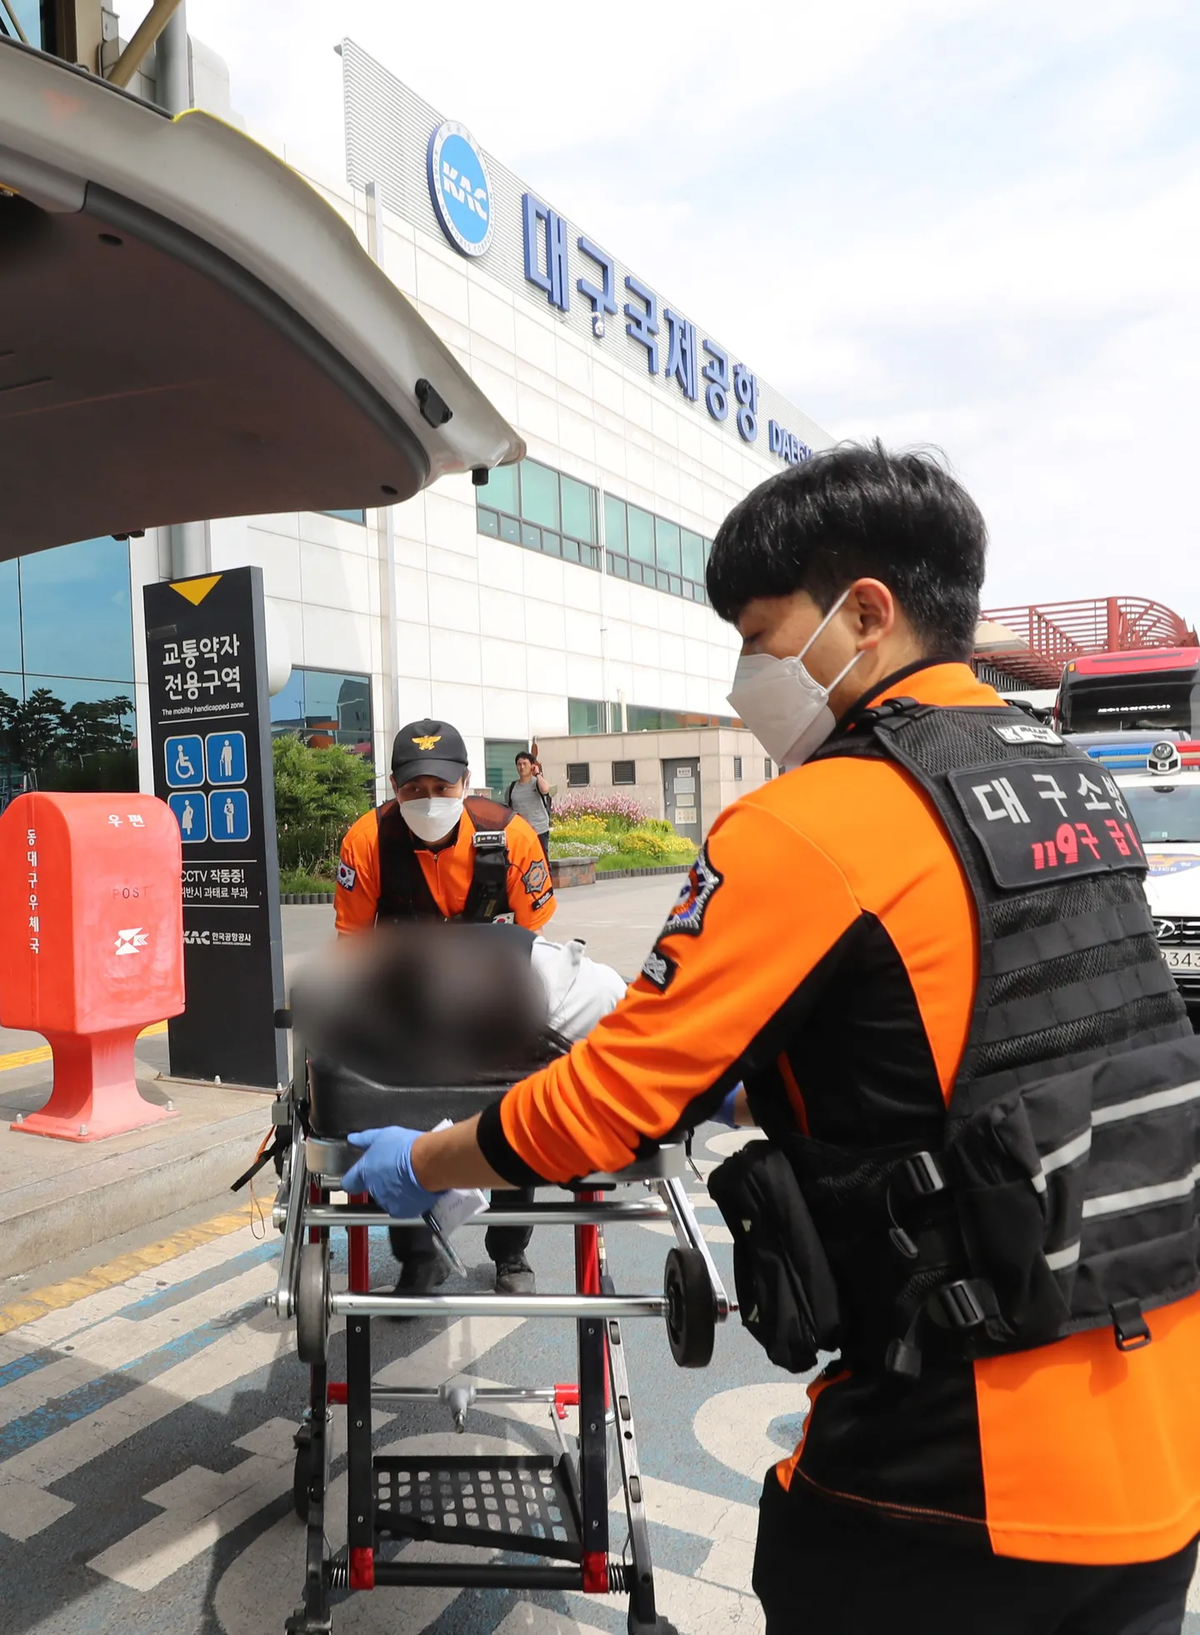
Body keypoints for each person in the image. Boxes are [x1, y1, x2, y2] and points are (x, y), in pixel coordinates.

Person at [342, 447, 1200, 1635]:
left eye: (759, 630)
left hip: (966, 1463)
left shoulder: (816, 820)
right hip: (1161, 1428)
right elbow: (993, 1040)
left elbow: (611, 1103)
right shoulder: (1067, 784)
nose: (747, 669)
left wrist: (425, 1161)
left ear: (866, 614)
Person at [334, 717, 557, 1297]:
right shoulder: (367, 841)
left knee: (513, 1109)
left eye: (440, 788)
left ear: (465, 783)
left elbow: (536, 943)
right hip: (407, 1007)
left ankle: (510, 1251)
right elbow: (353, 947)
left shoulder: (509, 837)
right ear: (392, 786)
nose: (427, 800)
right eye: (413, 790)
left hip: (494, 1003)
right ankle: (418, 1254)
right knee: (402, 1117)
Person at [505, 750, 552, 860]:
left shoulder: (537, 782)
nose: (521, 767)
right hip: (520, 832)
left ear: (532, 766)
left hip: (539, 830)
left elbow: (545, 789)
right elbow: (508, 809)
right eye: (519, 764)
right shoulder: (512, 787)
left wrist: (538, 774)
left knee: (542, 862)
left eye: (525, 764)